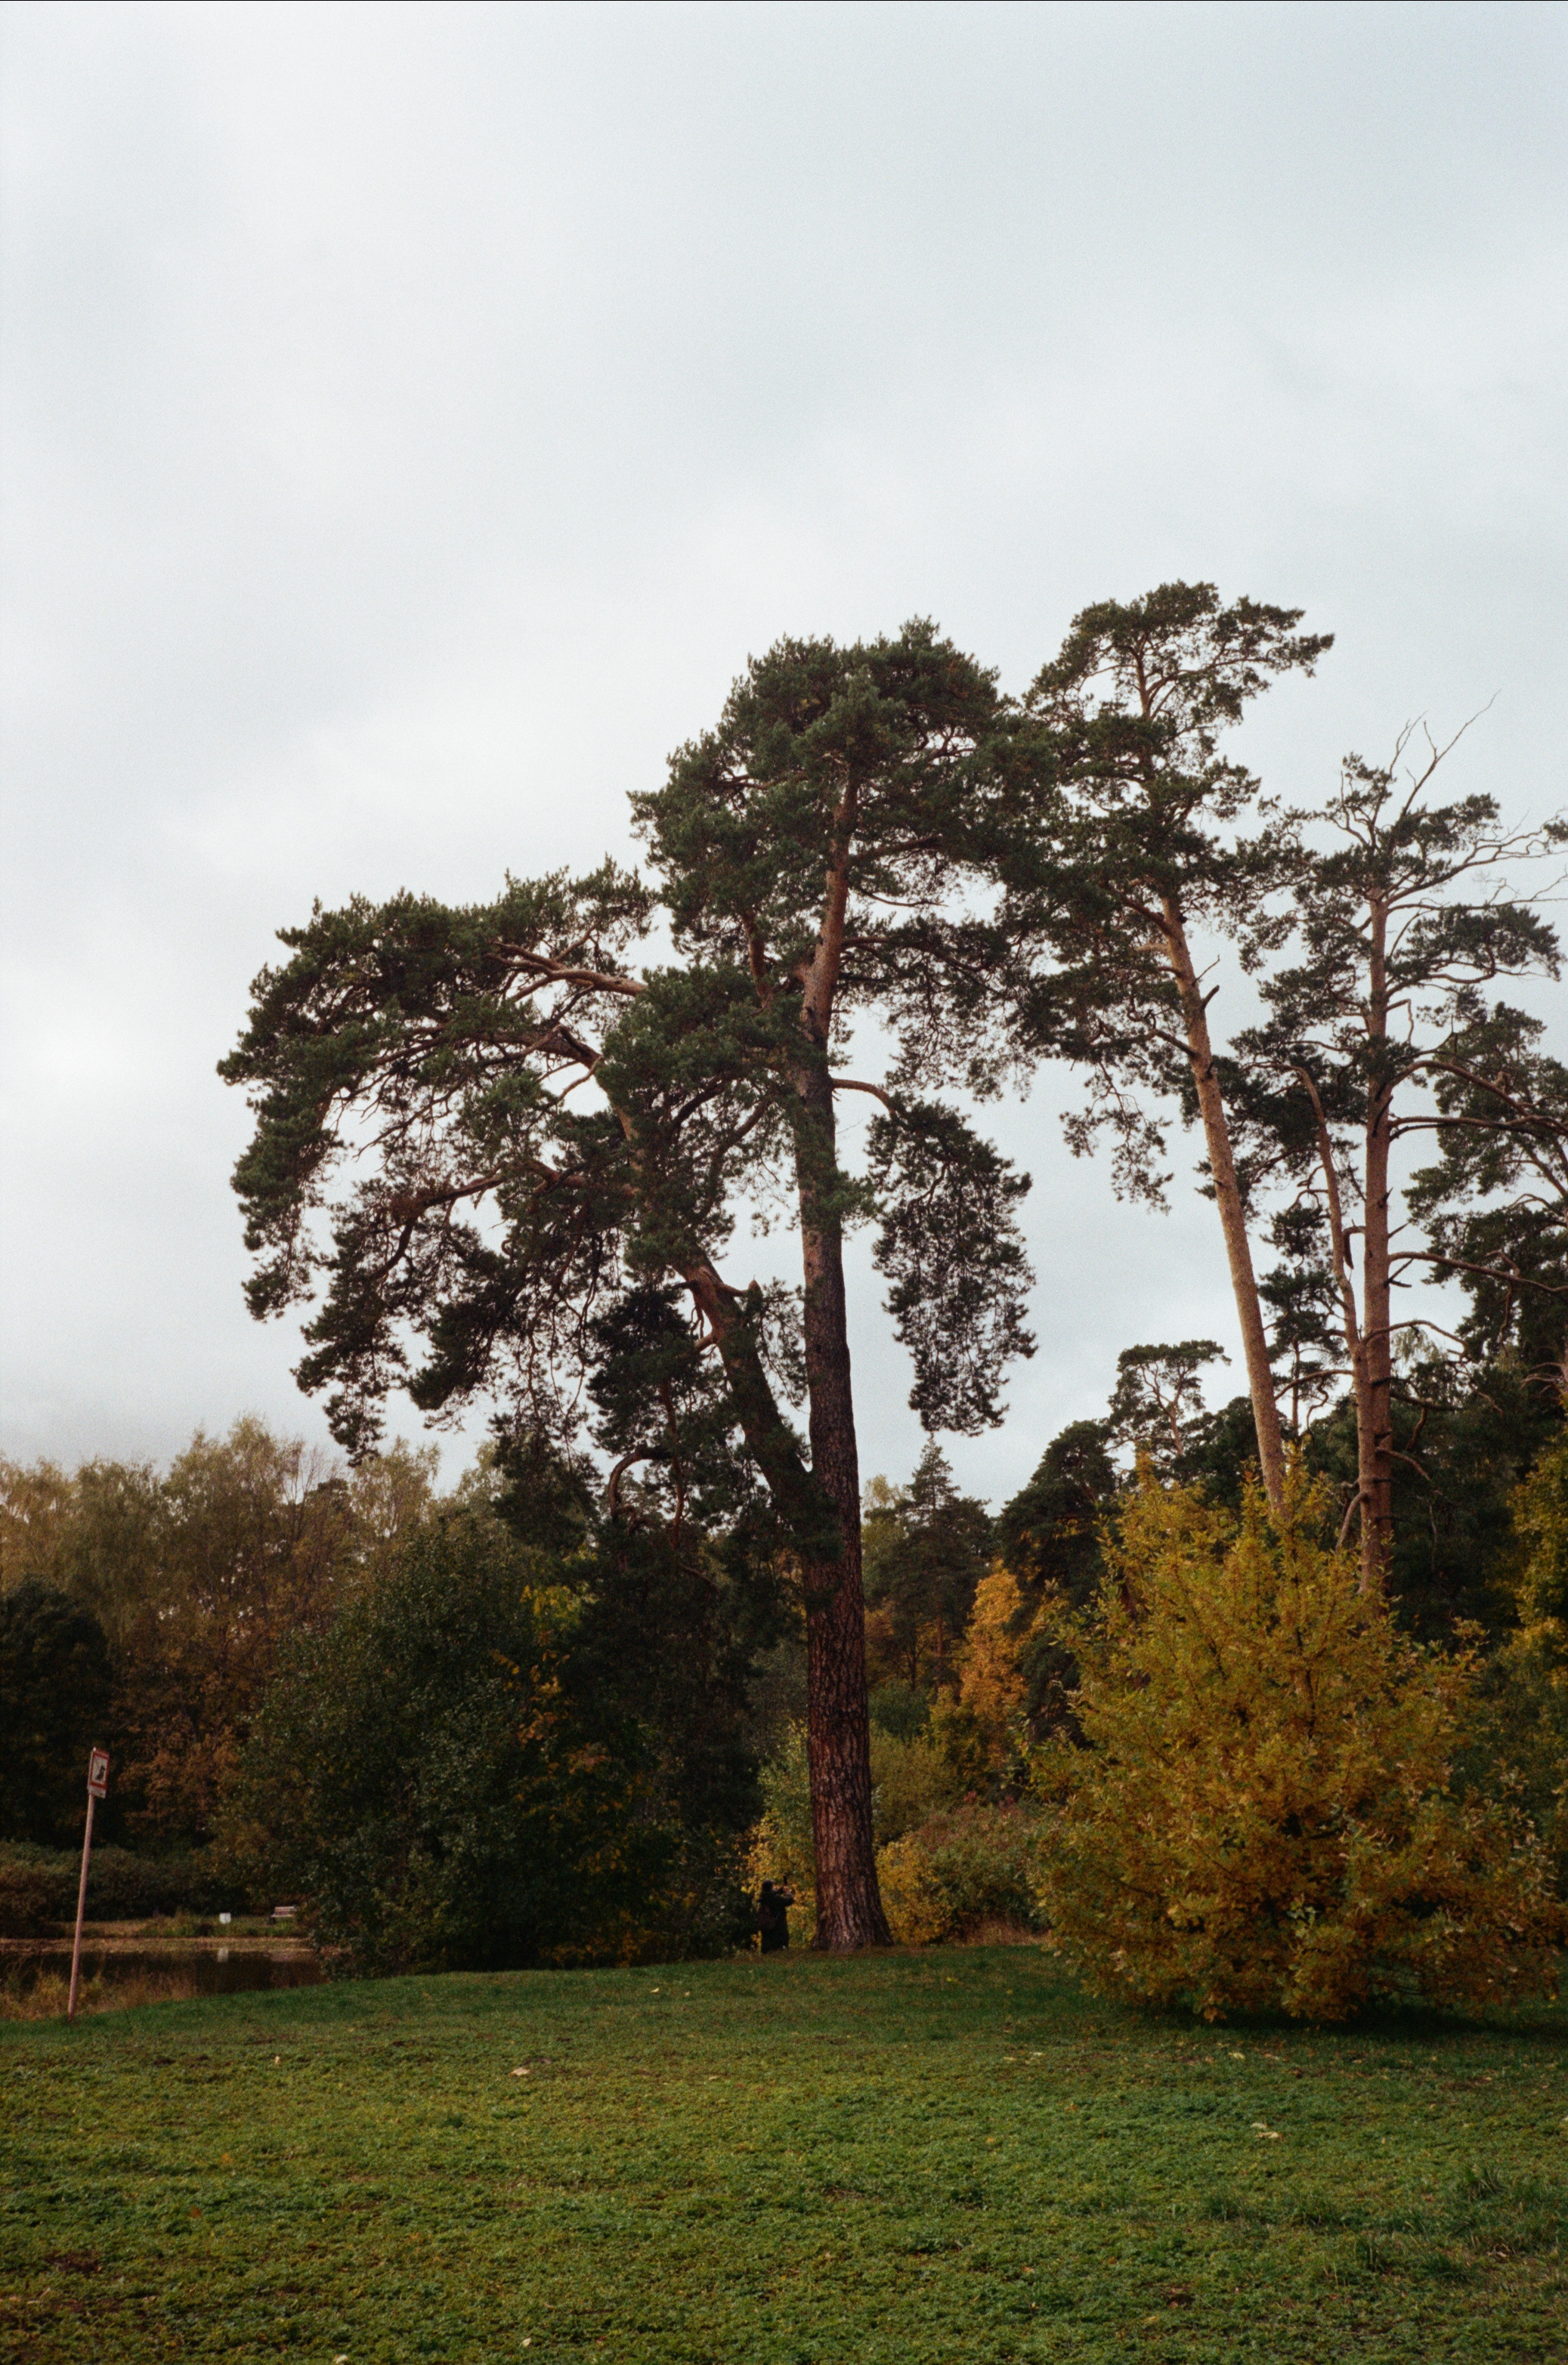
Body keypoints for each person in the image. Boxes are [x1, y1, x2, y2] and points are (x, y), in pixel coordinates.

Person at [756, 1878, 795, 1952]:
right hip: (777, 1923)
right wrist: (788, 1893)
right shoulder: (775, 1898)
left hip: (768, 1923)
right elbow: (789, 1901)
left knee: (768, 1941)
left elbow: (774, 1894)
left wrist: (781, 1889)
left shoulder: (764, 1896)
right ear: (770, 1887)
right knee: (781, 1940)